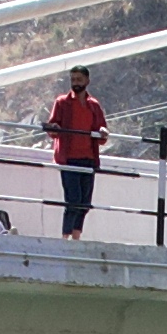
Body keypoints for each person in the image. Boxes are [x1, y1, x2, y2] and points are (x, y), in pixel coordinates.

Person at [46, 66, 110, 236]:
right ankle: (64, 238)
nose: (76, 83)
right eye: (73, 80)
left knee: (84, 204)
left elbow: (102, 135)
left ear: (87, 81)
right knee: (73, 201)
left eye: (79, 80)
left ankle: (76, 237)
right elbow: (52, 130)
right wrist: (54, 128)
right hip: (69, 159)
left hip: (88, 159)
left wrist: (103, 131)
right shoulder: (62, 102)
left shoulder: (94, 105)